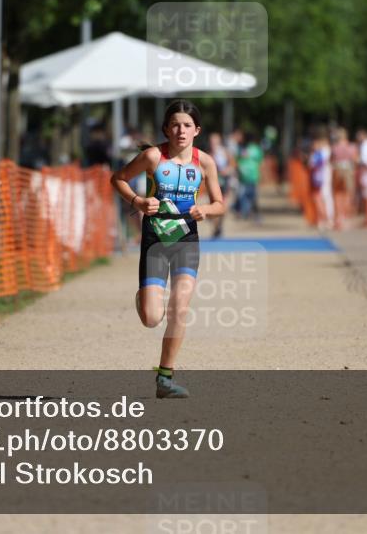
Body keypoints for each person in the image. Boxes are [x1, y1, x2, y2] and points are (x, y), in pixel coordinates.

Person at [110, 100, 225, 398]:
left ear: (197, 130)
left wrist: (206, 211)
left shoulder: (205, 162)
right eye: (175, 124)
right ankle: (145, 299)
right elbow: (118, 179)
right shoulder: (151, 157)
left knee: (180, 308)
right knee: (151, 318)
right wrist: (137, 201)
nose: (181, 130)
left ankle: (165, 378)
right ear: (166, 129)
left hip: (186, 240)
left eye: (187, 125)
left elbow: (220, 203)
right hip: (155, 241)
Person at [330, 127, 358, 230]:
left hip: (337, 171)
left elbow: (331, 161)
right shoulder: (351, 147)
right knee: (347, 195)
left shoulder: (334, 148)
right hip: (348, 172)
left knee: (337, 195)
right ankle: (345, 218)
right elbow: (355, 160)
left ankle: (338, 219)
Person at [208, 132, 235, 238]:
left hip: (225, 182)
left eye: (215, 141)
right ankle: (216, 227)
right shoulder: (209, 155)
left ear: (219, 142)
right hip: (214, 183)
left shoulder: (225, 152)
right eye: (211, 141)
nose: (213, 143)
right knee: (214, 206)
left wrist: (227, 170)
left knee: (224, 206)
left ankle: (220, 225)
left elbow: (232, 165)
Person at [308, 126, 333, 230]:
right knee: (321, 197)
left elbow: (314, 163)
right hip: (320, 177)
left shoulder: (323, 151)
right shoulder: (322, 151)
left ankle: (326, 219)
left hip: (321, 178)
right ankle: (323, 219)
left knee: (322, 197)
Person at [236, 132, 264, 222]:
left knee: (248, 197)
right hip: (248, 177)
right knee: (248, 197)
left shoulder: (251, 149)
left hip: (249, 177)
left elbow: (260, 162)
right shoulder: (246, 149)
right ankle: (246, 214)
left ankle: (253, 215)